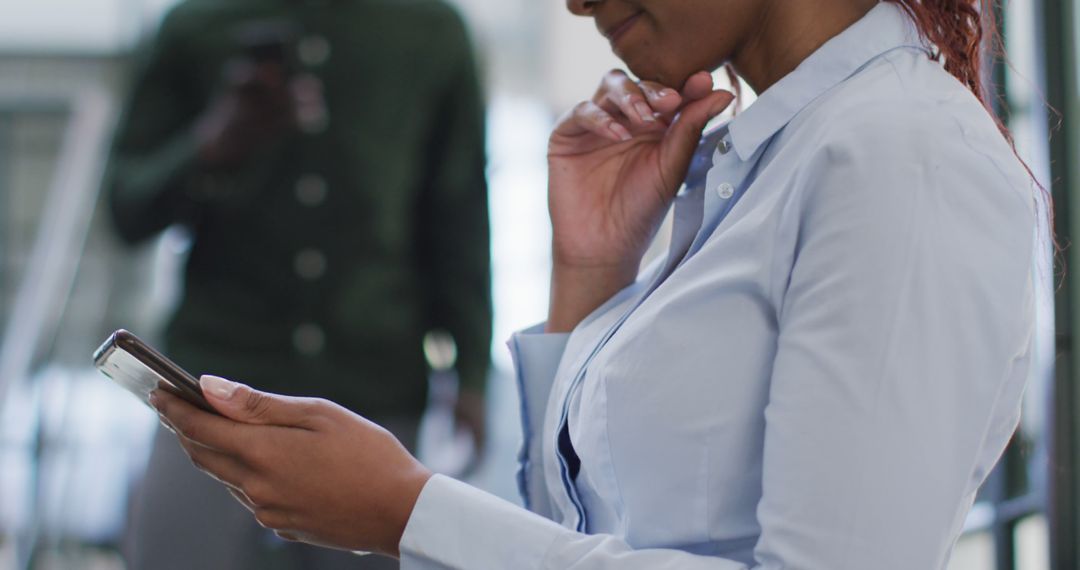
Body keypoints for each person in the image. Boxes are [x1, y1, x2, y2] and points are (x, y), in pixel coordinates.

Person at [152, 0, 1047, 567]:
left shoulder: (902, 160)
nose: (576, 2)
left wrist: (407, 510)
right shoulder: (762, 166)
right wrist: (590, 270)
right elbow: (588, 536)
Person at [102, 0, 491, 568]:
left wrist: (473, 372)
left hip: (377, 385)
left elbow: (459, 210)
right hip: (210, 387)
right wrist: (217, 141)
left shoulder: (432, 30)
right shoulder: (194, 23)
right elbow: (126, 207)